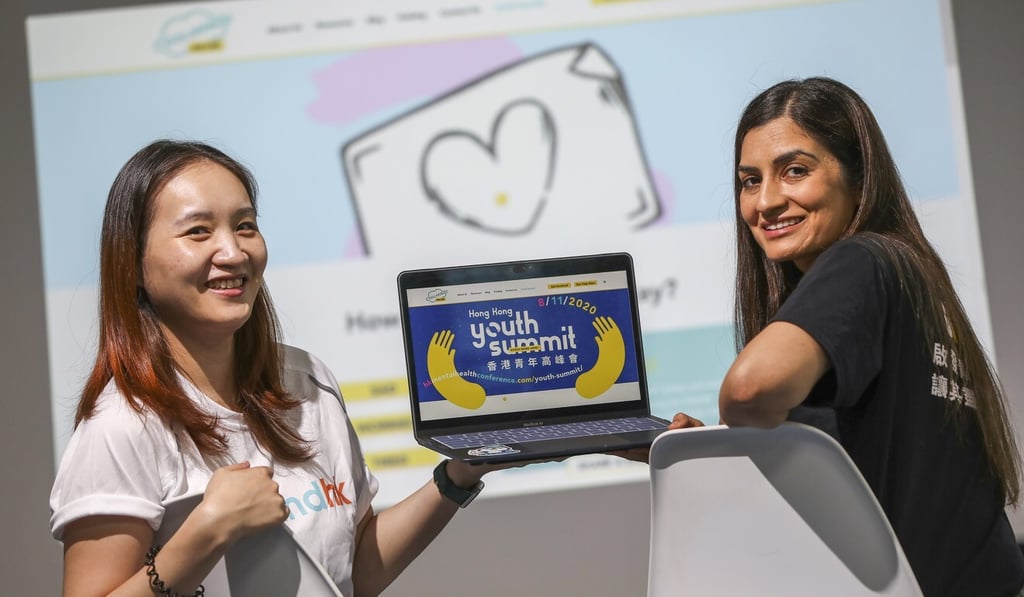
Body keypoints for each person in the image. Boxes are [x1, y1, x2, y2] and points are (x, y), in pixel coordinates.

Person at [49, 139, 503, 597]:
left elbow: (355, 572)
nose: (233, 251)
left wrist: (461, 473)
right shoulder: (120, 426)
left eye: (245, 226)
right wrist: (207, 532)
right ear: (133, 263)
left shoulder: (308, 382)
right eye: (198, 231)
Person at [677, 76, 1023, 596]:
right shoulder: (909, 270)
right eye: (749, 180)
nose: (765, 201)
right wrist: (693, 448)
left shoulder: (860, 260)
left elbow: (749, 391)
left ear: (859, 178)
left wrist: (733, 430)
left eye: (795, 171)